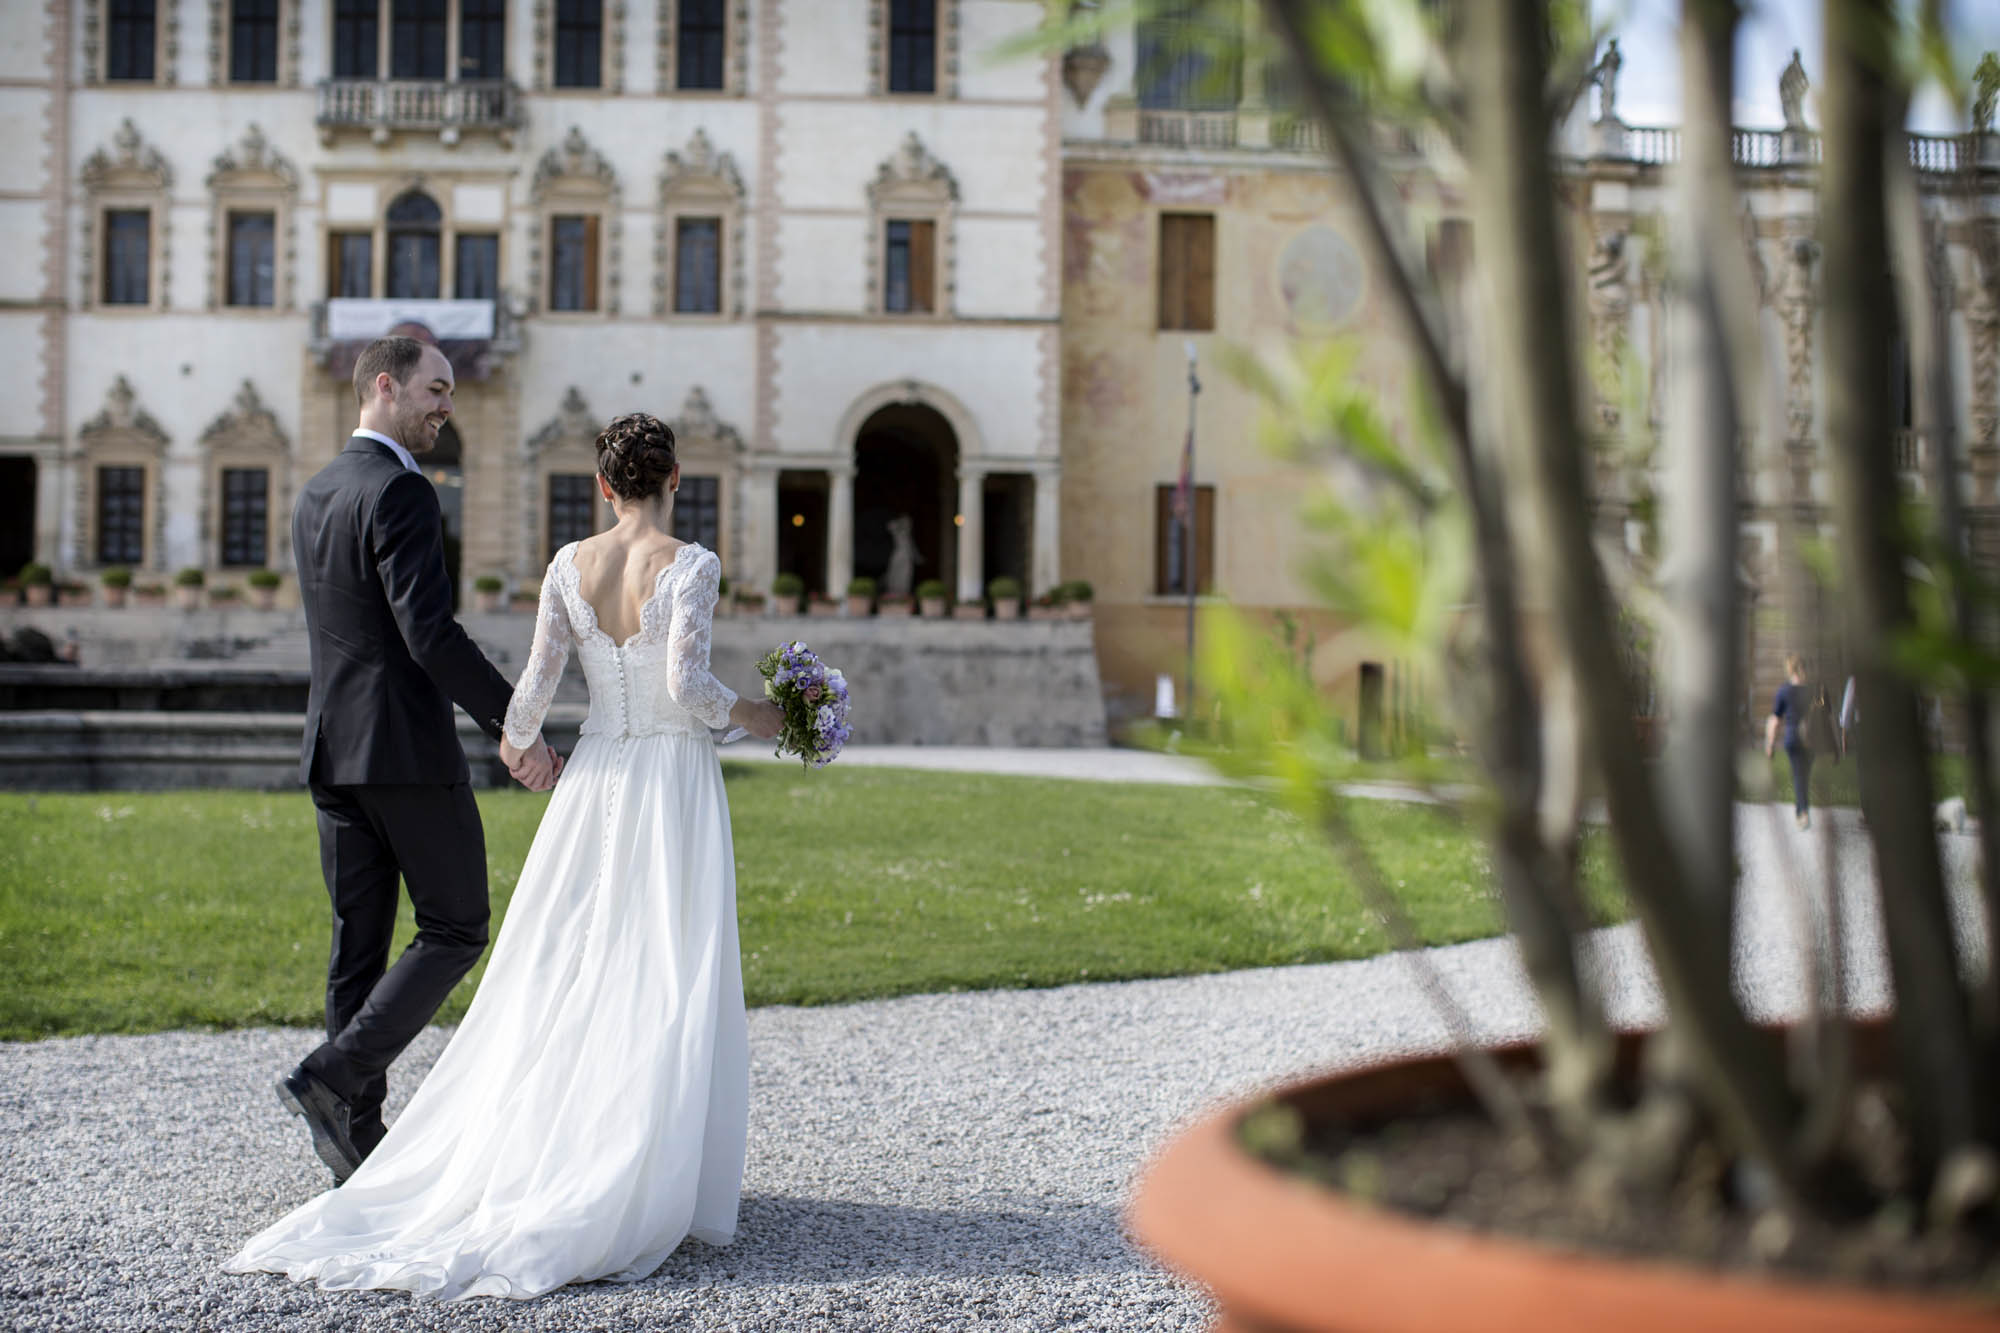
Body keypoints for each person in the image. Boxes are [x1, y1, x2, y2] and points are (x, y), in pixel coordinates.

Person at [227, 412, 783, 1301]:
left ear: (603, 485)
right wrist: (766, 713)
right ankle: (641, 1159)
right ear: (675, 476)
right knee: (663, 958)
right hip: (671, 777)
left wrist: (523, 746)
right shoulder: (692, 563)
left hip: (595, 771)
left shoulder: (569, 563)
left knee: (567, 961)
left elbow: (532, 690)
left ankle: (552, 1143)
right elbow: (688, 688)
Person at [268, 336, 560, 1189]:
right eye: (435, 389)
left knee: (357, 949)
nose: (447, 405)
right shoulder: (401, 489)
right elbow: (427, 632)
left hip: (333, 747)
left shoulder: (316, 491)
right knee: (458, 923)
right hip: (403, 749)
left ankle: (352, 1140)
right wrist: (520, 721)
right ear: (385, 386)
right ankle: (333, 1077)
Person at [1765, 653, 1818, 830]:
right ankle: (1801, 810)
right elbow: (1827, 717)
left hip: (1793, 738)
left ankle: (1802, 813)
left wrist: (1770, 744)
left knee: (1798, 775)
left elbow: (1775, 720)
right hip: (1812, 739)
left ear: (1790, 669)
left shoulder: (1785, 691)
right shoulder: (1814, 690)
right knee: (1804, 775)